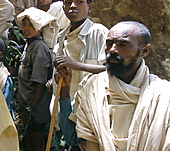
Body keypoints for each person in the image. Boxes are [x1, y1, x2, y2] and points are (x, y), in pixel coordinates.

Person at [55, 21, 170, 150]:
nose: (113, 49)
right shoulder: (92, 88)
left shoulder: (163, 95)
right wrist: (64, 90)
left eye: (123, 44)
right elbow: (72, 137)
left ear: (144, 50)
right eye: (109, 43)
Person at [54, 0, 108, 98]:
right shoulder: (62, 36)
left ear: (90, 7)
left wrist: (77, 66)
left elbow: (113, 70)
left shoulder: (99, 33)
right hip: (65, 103)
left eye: (79, 1)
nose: (73, 6)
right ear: (63, 8)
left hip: (90, 104)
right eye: (68, 3)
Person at [16, 11, 53, 151]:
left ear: (40, 27)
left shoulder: (39, 48)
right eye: (24, 24)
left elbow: (40, 83)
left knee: (36, 141)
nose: (26, 28)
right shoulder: (29, 45)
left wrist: (29, 109)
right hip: (28, 105)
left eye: (31, 25)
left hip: (36, 108)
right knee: (29, 141)